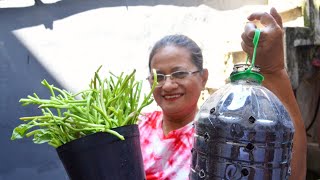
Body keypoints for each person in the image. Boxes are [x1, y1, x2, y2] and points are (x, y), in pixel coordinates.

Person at [138, 7, 307, 180]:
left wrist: (274, 72)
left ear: (203, 78)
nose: (167, 85)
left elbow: (287, 171)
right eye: (158, 76)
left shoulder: (220, 133)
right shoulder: (136, 127)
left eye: (179, 73)